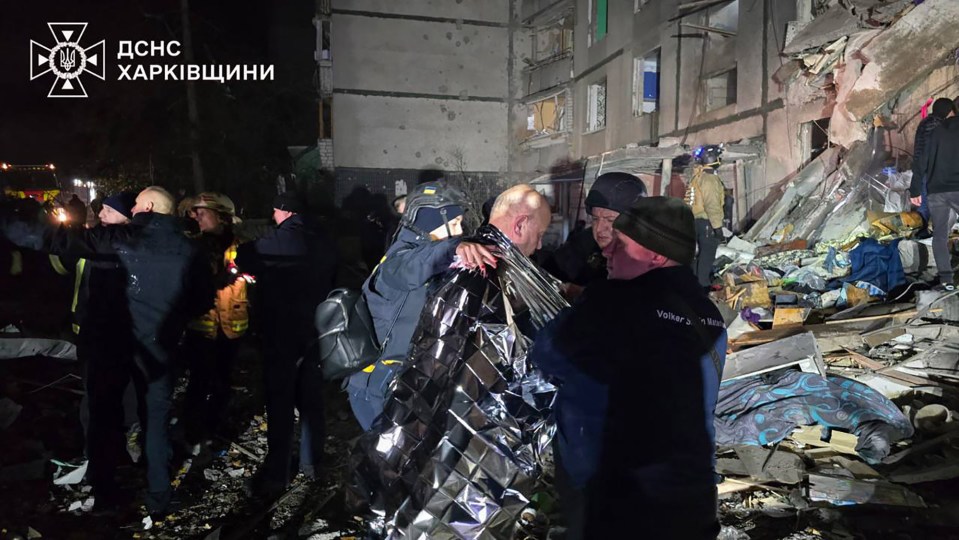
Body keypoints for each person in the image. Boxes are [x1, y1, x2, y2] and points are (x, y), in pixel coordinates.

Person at [0, 186, 213, 520]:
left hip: (114, 345)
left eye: (140, 203)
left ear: (150, 206)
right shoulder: (191, 250)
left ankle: (106, 493)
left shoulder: (119, 238)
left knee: (103, 417)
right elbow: (201, 302)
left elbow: (55, 241)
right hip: (160, 347)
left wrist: (10, 222)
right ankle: (158, 496)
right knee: (155, 423)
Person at [530, 196, 726, 539]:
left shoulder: (611, 301)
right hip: (691, 491)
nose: (607, 250)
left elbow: (548, 355)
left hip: (616, 496)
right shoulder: (709, 315)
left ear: (656, 253)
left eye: (620, 243)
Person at [347, 180, 495, 430]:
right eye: (455, 224)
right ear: (431, 221)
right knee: (387, 465)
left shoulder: (436, 259)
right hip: (377, 388)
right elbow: (417, 264)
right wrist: (453, 247)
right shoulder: (400, 259)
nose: (459, 232)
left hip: (406, 385)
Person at [236, 191, 336, 499]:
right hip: (316, 333)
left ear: (284, 212)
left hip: (281, 335)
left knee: (280, 405)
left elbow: (243, 256)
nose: (273, 217)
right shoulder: (324, 242)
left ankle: (277, 474)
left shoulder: (277, 241)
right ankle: (311, 465)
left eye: (275, 212)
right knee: (311, 402)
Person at [70, 192, 141, 459]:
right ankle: (100, 452)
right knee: (95, 392)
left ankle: (118, 447)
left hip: (116, 329)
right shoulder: (93, 241)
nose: (100, 215)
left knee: (122, 388)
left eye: (108, 211)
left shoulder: (125, 245)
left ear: (125, 216)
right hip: (88, 326)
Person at [181, 193, 250, 450]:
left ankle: (214, 428)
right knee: (198, 381)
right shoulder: (191, 247)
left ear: (221, 217)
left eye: (202, 212)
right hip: (201, 327)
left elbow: (255, 283)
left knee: (222, 381)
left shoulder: (242, 246)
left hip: (231, 328)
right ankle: (192, 433)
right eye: (194, 212)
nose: (195, 216)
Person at [543, 172, 647, 289]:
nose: (599, 228)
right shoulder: (584, 243)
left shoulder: (649, 258)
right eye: (595, 219)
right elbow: (547, 275)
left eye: (610, 219)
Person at [911, 104, 959, 291]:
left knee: (939, 235)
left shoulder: (934, 132)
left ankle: (946, 280)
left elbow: (920, 161)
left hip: (936, 191)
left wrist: (915, 190)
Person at [910, 98, 957, 238]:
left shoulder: (926, 122)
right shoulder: (939, 126)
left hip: (922, 168)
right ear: (949, 111)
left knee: (925, 203)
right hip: (930, 169)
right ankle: (924, 232)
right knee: (930, 204)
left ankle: (921, 231)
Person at [685, 144, 727, 288]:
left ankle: (692, 286)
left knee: (697, 257)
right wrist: (718, 228)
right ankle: (703, 288)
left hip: (694, 222)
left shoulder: (697, 177)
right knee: (707, 256)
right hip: (706, 222)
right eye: (718, 156)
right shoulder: (709, 179)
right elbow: (712, 204)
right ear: (713, 158)